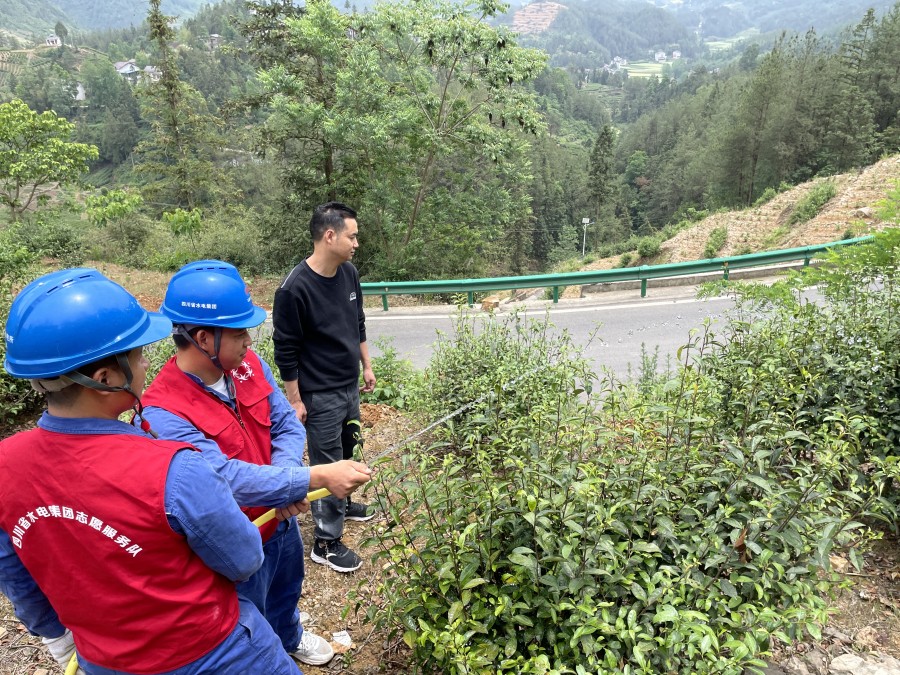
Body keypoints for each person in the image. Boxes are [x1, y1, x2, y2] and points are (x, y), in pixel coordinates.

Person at [0, 268, 300, 674]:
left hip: (106, 660)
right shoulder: (171, 464)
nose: (146, 365)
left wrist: (58, 635)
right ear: (104, 379)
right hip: (213, 653)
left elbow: (16, 570)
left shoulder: (6, 465)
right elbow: (245, 559)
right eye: (139, 356)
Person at [140, 259, 372, 665]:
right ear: (202, 338)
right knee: (247, 608)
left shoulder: (248, 366)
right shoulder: (162, 412)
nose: (249, 340)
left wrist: (285, 482)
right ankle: (262, 647)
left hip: (278, 517)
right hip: (235, 535)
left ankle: (290, 634)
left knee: (286, 585)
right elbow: (221, 479)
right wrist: (311, 477)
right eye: (238, 332)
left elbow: (286, 424)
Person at [272, 202, 377, 574]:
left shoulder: (348, 273)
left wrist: (366, 365)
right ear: (329, 235)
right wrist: (295, 399)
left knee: (352, 447)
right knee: (328, 462)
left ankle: (344, 506)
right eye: (352, 236)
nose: (356, 244)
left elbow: (357, 323)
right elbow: (285, 349)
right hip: (320, 393)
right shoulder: (294, 289)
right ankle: (326, 540)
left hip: (348, 384)